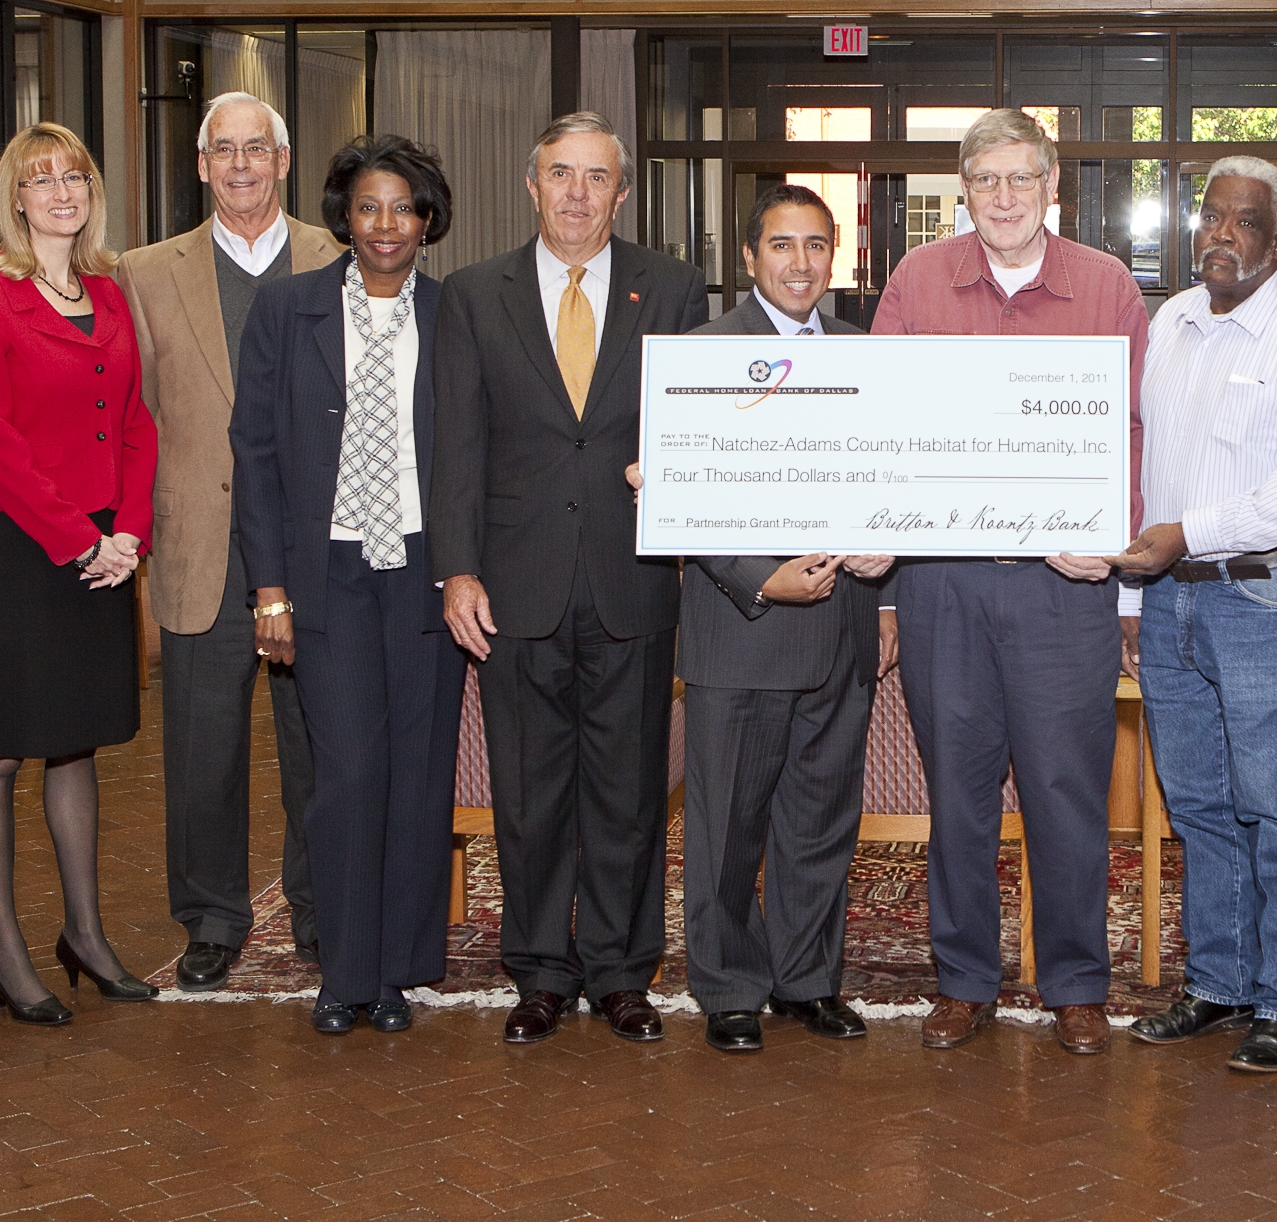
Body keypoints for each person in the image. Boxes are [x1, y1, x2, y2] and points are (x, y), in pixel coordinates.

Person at [873, 109, 1149, 1057]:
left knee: (1065, 789)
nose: (1003, 198)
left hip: (1059, 589)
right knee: (957, 791)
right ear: (964, 192)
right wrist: (882, 571)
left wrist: (1111, 546)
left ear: (1051, 189)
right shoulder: (916, 281)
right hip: (944, 582)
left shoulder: (1106, 286)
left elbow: (1132, 433)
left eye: (1020, 180)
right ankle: (964, 982)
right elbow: (880, 426)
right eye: (985, 181)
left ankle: (1075, 984)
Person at [435, 113, 708, 1047]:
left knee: (629, 791)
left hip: (635, 578)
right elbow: (456, 444)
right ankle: (542, 971)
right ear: (532, 184)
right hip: (517, 582)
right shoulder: (474, 295)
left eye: (597, 177)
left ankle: (624, 973)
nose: (579, 193)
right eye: (562, 174)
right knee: (530, 789)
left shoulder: (667, 288)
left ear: (622, 193)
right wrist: (457, 570)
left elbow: (695, 423)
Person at [1108, 159, 1277, 1077]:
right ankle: (1218, 985)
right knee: (1201, 806)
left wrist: (1191, 532)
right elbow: (1149, 470)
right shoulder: (1170, 321)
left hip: (1267, 596)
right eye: (1210, 215)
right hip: (1172, 601)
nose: (1221, 233)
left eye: (1244, 222)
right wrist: (1137, 593)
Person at [233, 136, 465, 1035]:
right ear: (345, 216)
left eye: (403, 208)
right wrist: (270, 591)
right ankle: (345, 971)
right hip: (324, 575)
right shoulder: (286, 309)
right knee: (348, 772)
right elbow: (253, 452)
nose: (386, 225)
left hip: (421, 574)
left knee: (417, 773)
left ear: (427, 219)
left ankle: (398, 970)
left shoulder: (454, 315)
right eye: (369, 207)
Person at [0, 122, 159, 1024]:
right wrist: (78, 538)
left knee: (76, 740)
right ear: (15, 198)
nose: (62, 191)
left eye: (75, 176)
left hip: (107, 546)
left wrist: (130, 534)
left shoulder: (109, 292)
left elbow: (137, 420)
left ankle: (87, 934)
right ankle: (7, 949)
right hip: (24, 545)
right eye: (42, 180)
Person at [674, 186, 894, 1054]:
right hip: (744, 629)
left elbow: (893, 480)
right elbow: (683, 499)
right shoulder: (701, 352)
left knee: (819, 820)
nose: (799, 264)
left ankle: (807, 980)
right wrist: (761, 579)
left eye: (814, 246)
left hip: (843, 627)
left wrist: (890, 589)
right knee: (727, 825)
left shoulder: (865, 353)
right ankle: (728, 985)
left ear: (833, 256)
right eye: (781, 246)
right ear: (749, 257)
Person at [123, 92, 335, 990]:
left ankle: (323, 912)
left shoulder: (342, 252)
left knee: (320, 746)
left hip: (320, 547)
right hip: (201, 544)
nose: (242, 165)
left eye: (259, 149)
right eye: (224, 151)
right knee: (203, 751)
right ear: (202, 166)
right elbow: (132, 415)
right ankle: (210, 917)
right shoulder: (144, 271)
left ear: (284, 162)